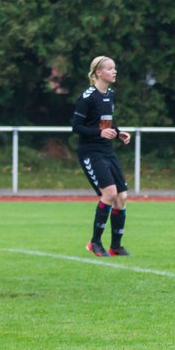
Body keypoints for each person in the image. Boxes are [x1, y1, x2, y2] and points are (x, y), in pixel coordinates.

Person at [73, 56, 133, 256]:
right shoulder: (88, 97)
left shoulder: (110, 94)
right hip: (90, 152)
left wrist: (118, 132)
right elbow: (77, 127)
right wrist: (99, 133)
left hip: (107, 150)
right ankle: (94, 243)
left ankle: (115, 246)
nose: (114, 71)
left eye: (114, 68)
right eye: (109, 68)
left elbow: (105, 124)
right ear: (98, 72)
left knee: (122, 197)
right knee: (109, 194)